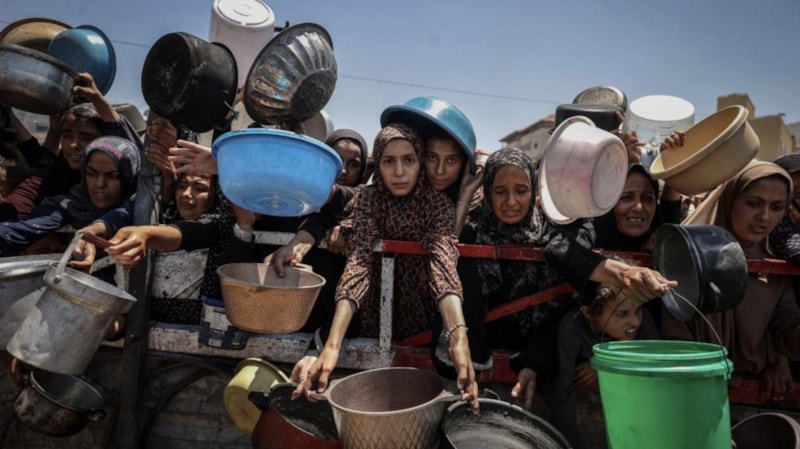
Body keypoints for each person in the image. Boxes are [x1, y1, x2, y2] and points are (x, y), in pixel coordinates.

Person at [462, 147, 675, 411]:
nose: (511, 202)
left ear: (534, 190)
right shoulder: (472, 233)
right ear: (488, 192)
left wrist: (533, 362)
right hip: (484, 362)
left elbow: (560, 295)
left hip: (541, 354)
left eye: (521, 190)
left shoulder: (551, 230)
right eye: (499, 191)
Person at [291, 123, 479, 411]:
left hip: (421, 320)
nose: (399, 172)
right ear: (377, 165)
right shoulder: (369, 200)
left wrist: (458, 336)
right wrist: (332, 346)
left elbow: (443, 266)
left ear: (419, 162)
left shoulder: (437, 205)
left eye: (409, 160)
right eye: (389, 161)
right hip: (371, 317)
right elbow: (358, 265)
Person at [662, 161, 800, 397]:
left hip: (756, 395)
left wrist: (780, 357)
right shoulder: (687, 252)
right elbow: (674, 336)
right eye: (753, 203)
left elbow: (785, 326)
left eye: (777, 207)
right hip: (691, 389)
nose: (764, 217)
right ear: (729, 200)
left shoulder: (776, 262)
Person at [547, 259, 660, 449]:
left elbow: (656, 360)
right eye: (622, 314)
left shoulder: (642, 320)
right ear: (588, 313)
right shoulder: (572, 328)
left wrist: (602, 366)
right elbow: (561, 390)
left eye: (638, 310)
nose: (635, 321)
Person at [0, 73, 142, 221]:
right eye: (67, 135)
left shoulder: (125, 182)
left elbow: (133, 152)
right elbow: (31, 187)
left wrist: (98, 100)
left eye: (87, 138)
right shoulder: (59, 171)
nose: (74, 145)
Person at [0, 136, 140, 256]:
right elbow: (21, 229)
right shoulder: (69, 206)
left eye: (112, 176)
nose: (99, 184)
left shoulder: (139, 209)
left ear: (128, 177)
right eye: (91, 173)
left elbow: (120, 216)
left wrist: (96, 229)